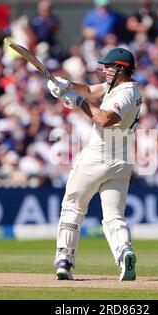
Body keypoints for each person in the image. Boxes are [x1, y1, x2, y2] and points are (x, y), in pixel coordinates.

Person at [47, 48, 142, 281]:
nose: (104, 70)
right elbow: (89, 90)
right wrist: (66, 85)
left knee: (73, 206)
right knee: (113, 216)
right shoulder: (121, 87)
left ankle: (64, 260)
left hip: (97, 157)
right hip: (121, 162)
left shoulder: (125, 94)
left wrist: (77, 102)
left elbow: (104, 119)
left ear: (121, 68)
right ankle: (124, 253)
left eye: (109, 67)